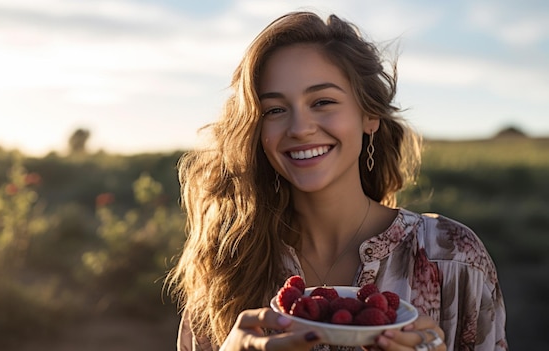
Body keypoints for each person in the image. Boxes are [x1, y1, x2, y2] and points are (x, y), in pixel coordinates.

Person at [166, 10, 508, 351]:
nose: (300, 128)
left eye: (323, 102)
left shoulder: (450, 258)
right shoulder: (226, 264)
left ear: (369, 114)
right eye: (274, 110)